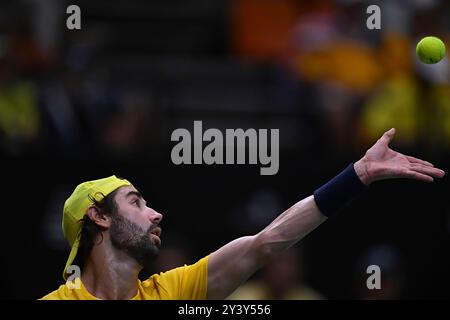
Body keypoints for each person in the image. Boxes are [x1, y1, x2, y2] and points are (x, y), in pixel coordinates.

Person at [40, 128, 445, 300]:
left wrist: (356, 176)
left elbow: (265, 244)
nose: (156, 214)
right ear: (100, 216)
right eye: (136, 202)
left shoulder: (175, 292)